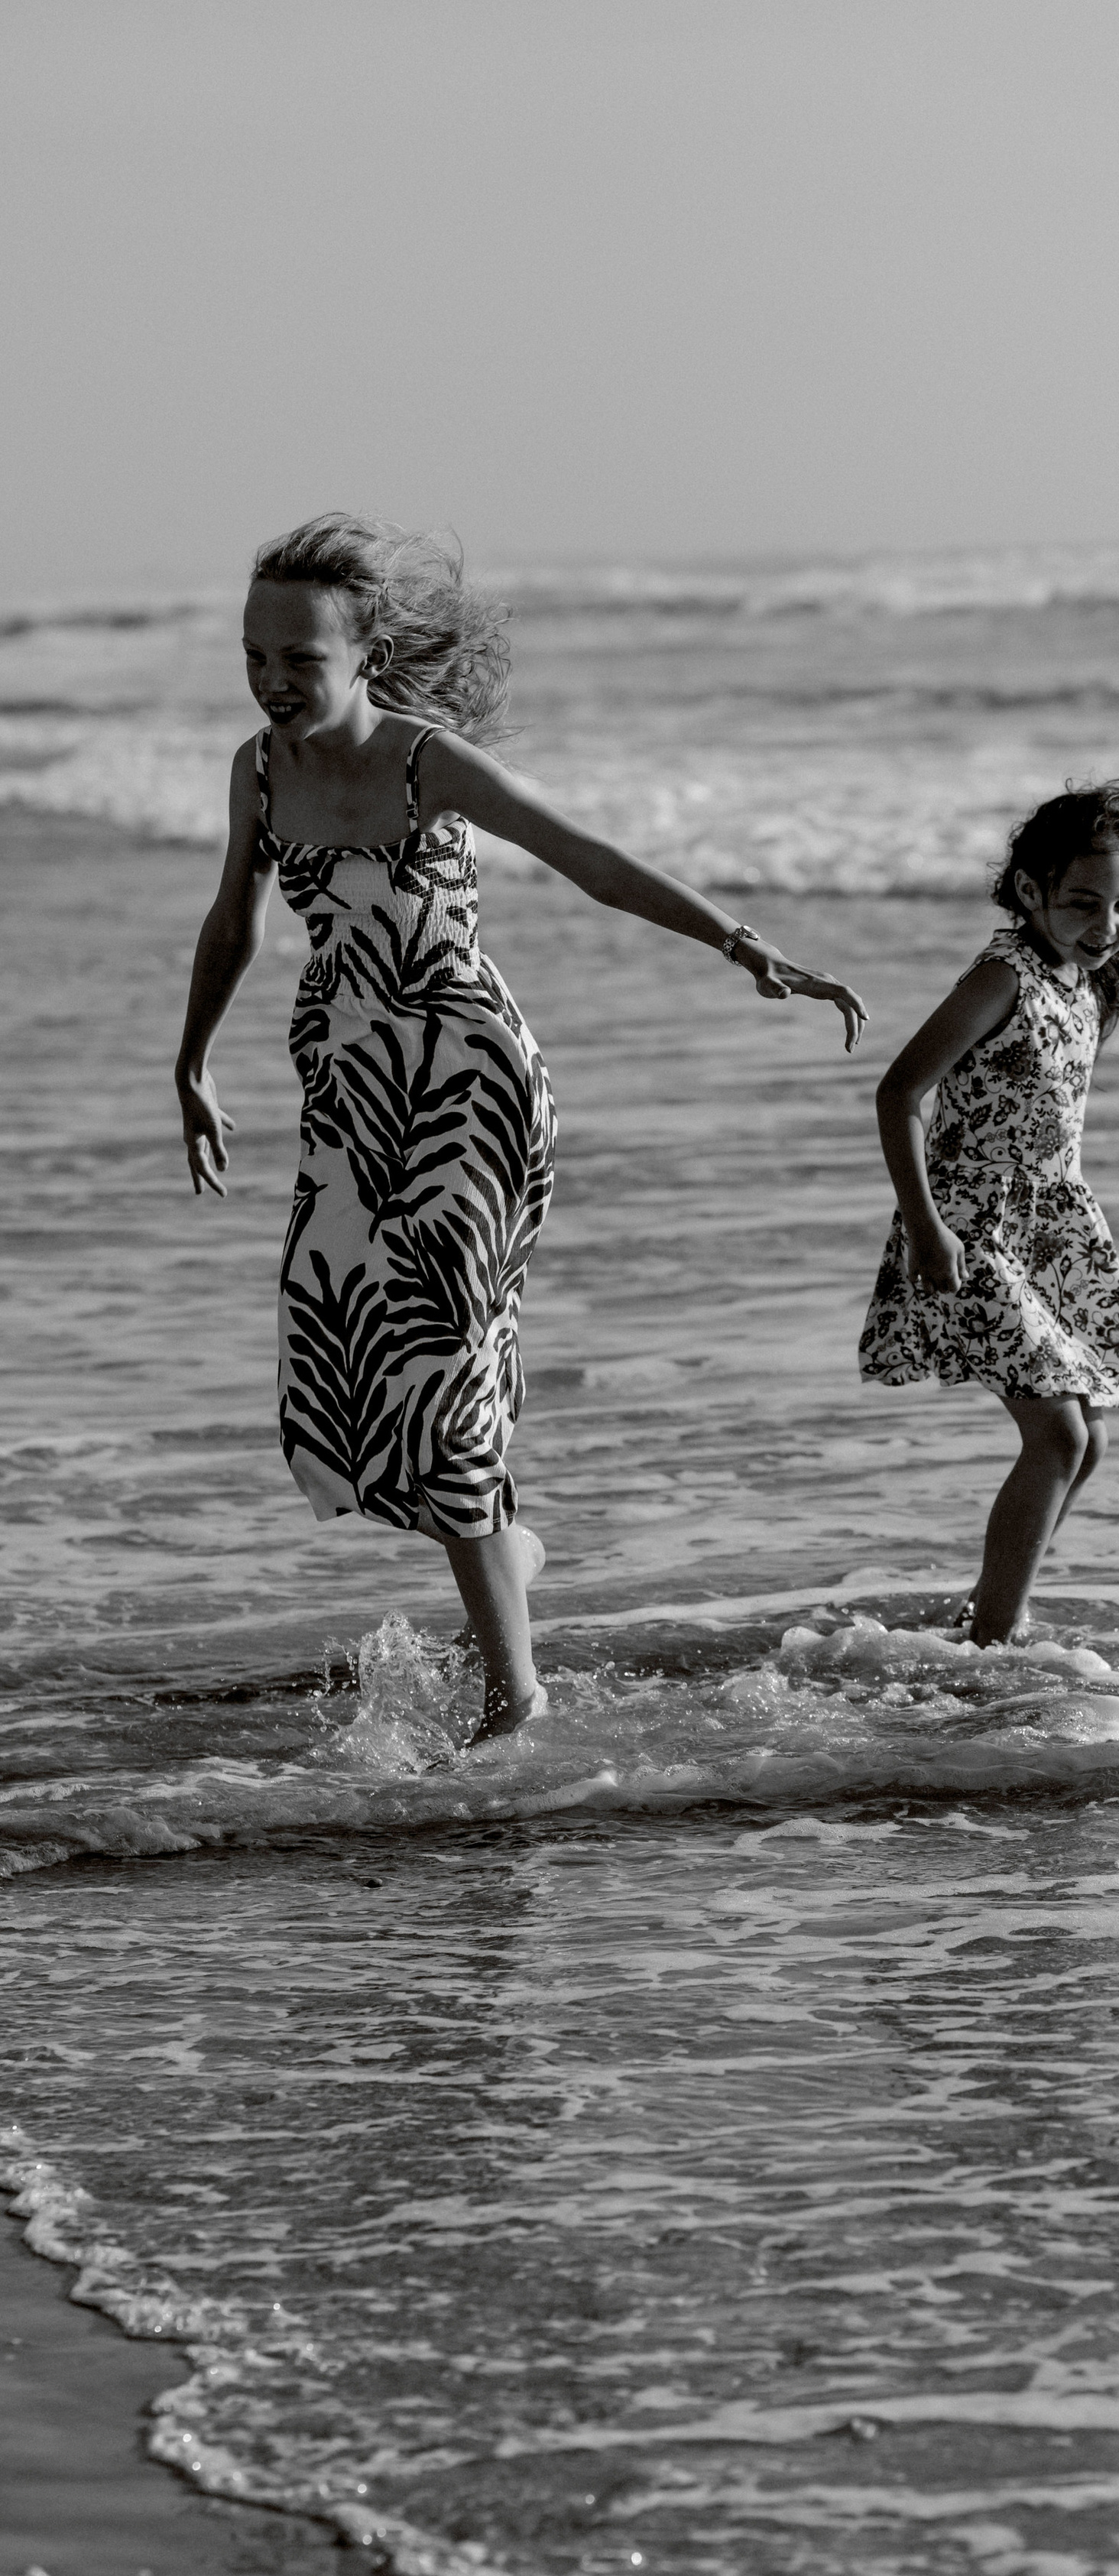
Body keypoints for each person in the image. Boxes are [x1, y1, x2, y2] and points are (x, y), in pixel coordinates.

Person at [175, 513, 866, 1743]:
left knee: (442, 1364)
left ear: (368, 651)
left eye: (301, 660)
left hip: (468, 1087)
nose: (274, 682)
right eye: (255, 657)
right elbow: (235, 916)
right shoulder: (259, 770)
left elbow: (590, 858)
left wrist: (744, 945)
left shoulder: (423, 759)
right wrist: (192, 1060)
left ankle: (516, 1695)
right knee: (357, 1362)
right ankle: (514, 1552)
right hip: (348, 1091)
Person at [860, 781, 1119, 1644]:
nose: (1105, 925)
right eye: (1081, 903)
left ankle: (989, 1609)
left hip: (1049, 1235)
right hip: (970, 1226)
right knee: (1059, 1436)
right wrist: (925, 1225)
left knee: (1086, 1441)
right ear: (1029, 891)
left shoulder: (1082, 983)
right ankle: (994, 1637)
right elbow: (898, 1093)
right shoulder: (1003, 976)